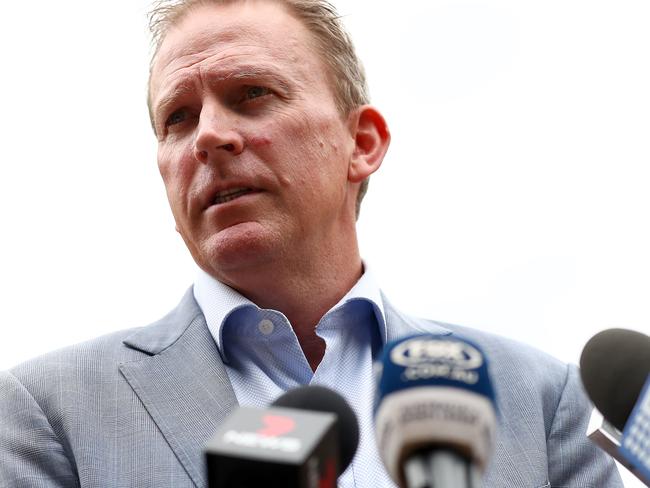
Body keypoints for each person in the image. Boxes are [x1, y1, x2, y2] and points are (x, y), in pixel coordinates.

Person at [0, 0, 623, 487]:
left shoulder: (542, 401)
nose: (209, 137)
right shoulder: (47, 411)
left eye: (252, 95)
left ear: (363, 143)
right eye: (178, 119)